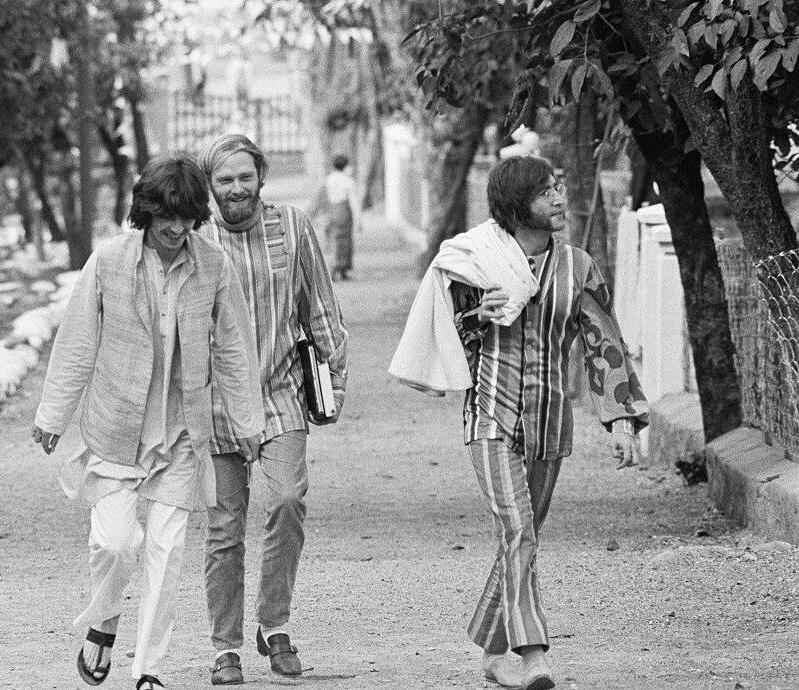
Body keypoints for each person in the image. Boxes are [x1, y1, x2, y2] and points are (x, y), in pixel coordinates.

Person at [395, 155, 648, 689]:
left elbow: (606, 345)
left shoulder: (578, 267)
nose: (558, 198)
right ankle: (533, 655)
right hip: (489, 416)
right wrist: (473, 319)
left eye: (559, 187)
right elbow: (447, 343)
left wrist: (621, 419)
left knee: (522, 538)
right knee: (517, 530)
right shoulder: (474, 262)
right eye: (544, 192)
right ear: (515, 205)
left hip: (551, 425)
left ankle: (491, 654)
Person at [30, 155, 264, 690]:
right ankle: (104, 623)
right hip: (116, 426)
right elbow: (77, 341)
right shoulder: (109, 262)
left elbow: (232, 345)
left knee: (167, 548)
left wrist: (247, 419)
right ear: (147, 213)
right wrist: (52, 416)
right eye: (168, 220)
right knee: (115, 544)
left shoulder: (212, 265)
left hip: (183, 431)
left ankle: (148, 671)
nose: (178, 231)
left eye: (187, 221)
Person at [196, 133, 349, 685]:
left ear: (261, 176)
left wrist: (335, 370)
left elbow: (320, 303)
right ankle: (224, 647)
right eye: (223, 180)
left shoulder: (292, 225)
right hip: (214, 405)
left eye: (244, 177)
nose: (235, 188)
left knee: (287, 500)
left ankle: (274, 623)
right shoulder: (195, 238)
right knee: (223, 528)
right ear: (209, 187)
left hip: (281, 392)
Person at [309, 153, 361, 280]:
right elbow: (354, 202)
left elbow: (321, 198)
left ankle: (335, 267)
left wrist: (315, 214)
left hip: (331, 211)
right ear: (345, 166)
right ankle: (340, 268)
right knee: (345, 241)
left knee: (334, 240)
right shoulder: (348, 181)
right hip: (343, 212)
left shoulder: (329, 179)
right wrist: (358, 219)